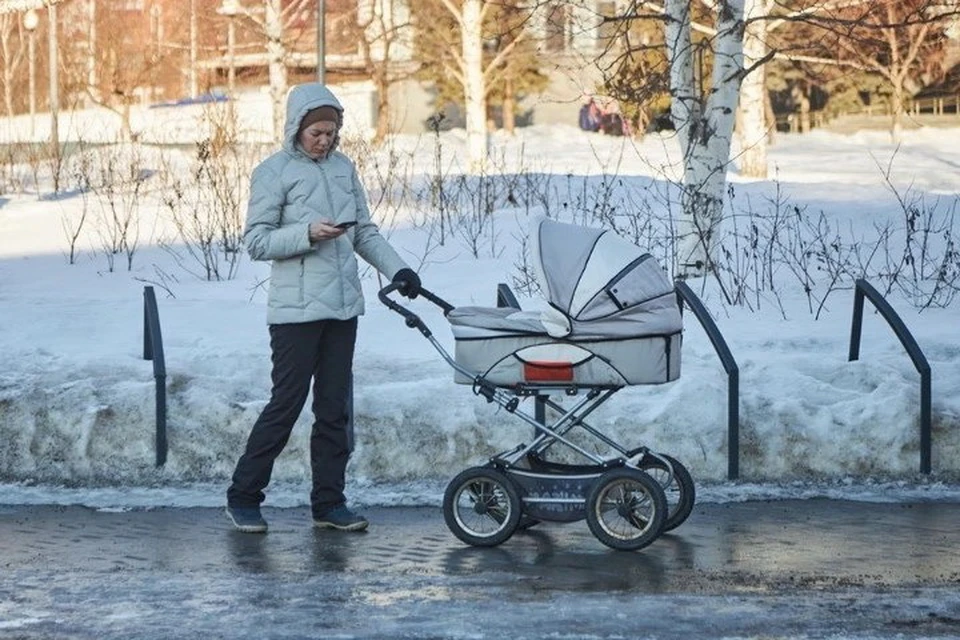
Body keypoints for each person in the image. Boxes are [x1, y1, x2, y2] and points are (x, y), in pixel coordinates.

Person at [225, 82, 422, 534]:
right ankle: (243, 496)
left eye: (331, 132)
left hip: (342, 309)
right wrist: (306, 233)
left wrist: (399, 270)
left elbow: (364, 232)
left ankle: (329, 504)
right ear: (297, 127)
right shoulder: (273, 172)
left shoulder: (342, 169)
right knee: (286, 405)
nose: (324, 140)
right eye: (316, 131)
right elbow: (255, 241)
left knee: (334, 409)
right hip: (295, 313)